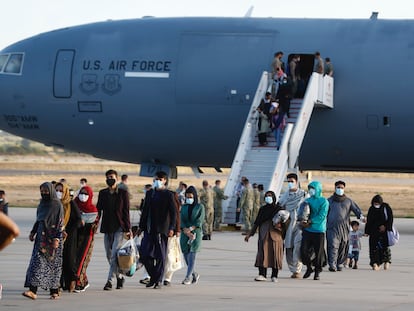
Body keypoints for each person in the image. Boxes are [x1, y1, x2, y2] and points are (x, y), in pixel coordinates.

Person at [23, 182, 64, 300]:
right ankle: (32, 290)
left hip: (53, 237)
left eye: (46, 191)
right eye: (42, 191)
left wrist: (57, 238)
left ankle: (54, 291)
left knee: (53, 266)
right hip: (41, 237)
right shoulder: (41, 204)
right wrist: (33, 232)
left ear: (50, 191)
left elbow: (60, 222)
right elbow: (39, 219)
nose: (44, 193)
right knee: (36, 264)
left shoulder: (57, 205)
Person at [138, 171, 176, 289]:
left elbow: (174, 213)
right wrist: (140, 227)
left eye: (159, 179)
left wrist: (172, 228)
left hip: (162, 229)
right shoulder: (150, 193)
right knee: (144, 254)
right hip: (149, 228)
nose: (157, 181)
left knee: (160, 256)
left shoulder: (169, 194)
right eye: (155, 179)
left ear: (165, 180)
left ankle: (158, 280)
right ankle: (153, 276)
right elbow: (144, 211)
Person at [97, 169, 131, 291]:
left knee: (114, 255)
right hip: (107, 227)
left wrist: (128, 229)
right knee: (109, 255)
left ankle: (109, 281)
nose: (109, 179)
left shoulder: (122, 193)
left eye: (111, 177)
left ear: (116, 178)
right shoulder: (103, 193)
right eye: (107, 177)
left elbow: (126, 212)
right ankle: (119, 276)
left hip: (119, 228)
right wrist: (95, 223)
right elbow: (98, 210)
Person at [244, 191, 286, 282]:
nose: (268, 197)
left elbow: (286, 222)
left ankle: (274, 275)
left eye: (270, 196)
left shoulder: (279, 209)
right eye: (267, 196)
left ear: (274, 197)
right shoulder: (262, 209)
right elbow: (256, 223)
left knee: (275, 255)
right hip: (264, 235)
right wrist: (250, 234)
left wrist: (280, 226)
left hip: (276, 236)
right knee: (263, 254)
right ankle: (262, 274)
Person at [326, 180, 364, 272]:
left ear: (344, 189)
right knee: (333, 245)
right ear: (335, 188)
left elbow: (356, 210)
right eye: (338, 187)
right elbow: (323, 212)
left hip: (344, 229)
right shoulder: (329, 201)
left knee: (343, 246)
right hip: (332, 228)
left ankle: (340, 263)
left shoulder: (348, 201)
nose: (340, 189)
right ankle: (332, 264)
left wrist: (361, 217)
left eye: (342, 188)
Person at [55, 182, 82, 292]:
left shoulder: (70, 204)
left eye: (61, 191)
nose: (58, 193)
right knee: (57, 261)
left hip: (69, 236)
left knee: (69, 260)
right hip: (56, 235)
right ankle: (58, 284)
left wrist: (67, 231)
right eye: (56, 190)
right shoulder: (54, 204)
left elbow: (78, 220)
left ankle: (71, 280)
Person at [278, 173, 306, 279]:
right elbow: (280, 207)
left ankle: (298, 270)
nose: (290, 183)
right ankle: (293, 270)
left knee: (297, 247)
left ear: (297, 182)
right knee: (288, 248)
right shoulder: (285, 195)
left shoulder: (303, 195)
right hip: (288, 225)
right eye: (288, 181)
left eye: (292, 181)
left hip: (299, 226)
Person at [300, 181, 329, 280]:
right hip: (308, 230)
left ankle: (317, 271)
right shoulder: (308, 200)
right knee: (303, 251)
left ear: (318, 189)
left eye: (313, 188)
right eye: (310, 188)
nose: (311, 190)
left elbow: (322, 216)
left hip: (319, 230)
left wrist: (311, 221)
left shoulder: (324, 201)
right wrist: (302, 221)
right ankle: (309, 267)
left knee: (318, 252)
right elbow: (303, 212)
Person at [73, 185, 98, 292]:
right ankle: (83, 280)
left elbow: (95, 226)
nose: (83, 196)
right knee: (73, 259)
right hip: (75, 236)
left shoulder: (93, 209)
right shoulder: (75, 205)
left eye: (86, 194)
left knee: (81, 260)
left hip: (87, 236)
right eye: (81, 193)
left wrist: (88, 223)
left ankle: (79, 282)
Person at [180, 186, 205, 285]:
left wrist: (191, 229)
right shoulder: (184, 207)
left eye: (190, 196)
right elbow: (181, 219)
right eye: (187, 197)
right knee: (186, 254)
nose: (188, 198)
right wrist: (185, 230)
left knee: (192, 255)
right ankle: (194, 273)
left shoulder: (200, 207)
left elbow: (200, 220)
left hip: (196, 233)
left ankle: (187, 277)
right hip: (185, 233)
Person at [364, 194, 393, 271]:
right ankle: (375, 263)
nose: (376, 205)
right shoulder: (371, 209)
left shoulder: (386, 208)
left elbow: (390, 218)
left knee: (384, 248)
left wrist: (386, 226)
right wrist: (367, 231)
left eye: (378, 204)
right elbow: (369, 221)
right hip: (374, 232)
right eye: (375, 204)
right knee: (373, 248)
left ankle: (386, 261)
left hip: (384, 232)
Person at [163, 189, 181, 286]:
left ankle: (168, 277)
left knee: (170, 256)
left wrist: (177, 230)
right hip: (162, 232)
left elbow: (176, 217)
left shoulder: (173, 202)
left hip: (171, 234)